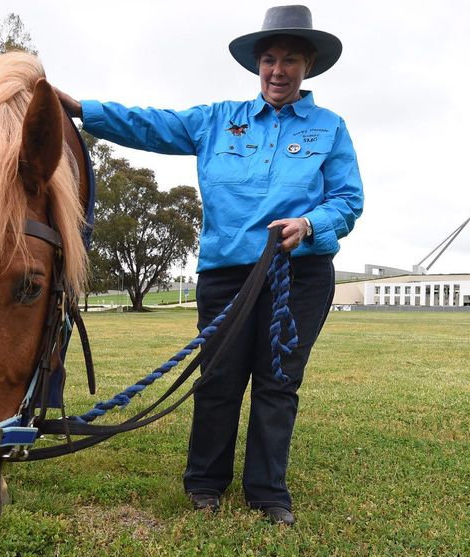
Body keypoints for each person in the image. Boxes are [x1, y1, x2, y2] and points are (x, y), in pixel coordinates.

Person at [57, 5, 363, 525]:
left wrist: (309, 226)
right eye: (269, 59)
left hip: (299, 274)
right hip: (226, 274)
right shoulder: (218, 120)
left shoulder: (329, 129)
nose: (278, 70)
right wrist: (81, 108)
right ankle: (205, 484)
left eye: (291, 59)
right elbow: (151, 124)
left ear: (307, 65)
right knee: (219, 378)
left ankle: (268, 492)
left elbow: (348, 201)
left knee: (277, 381)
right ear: (256, 65)